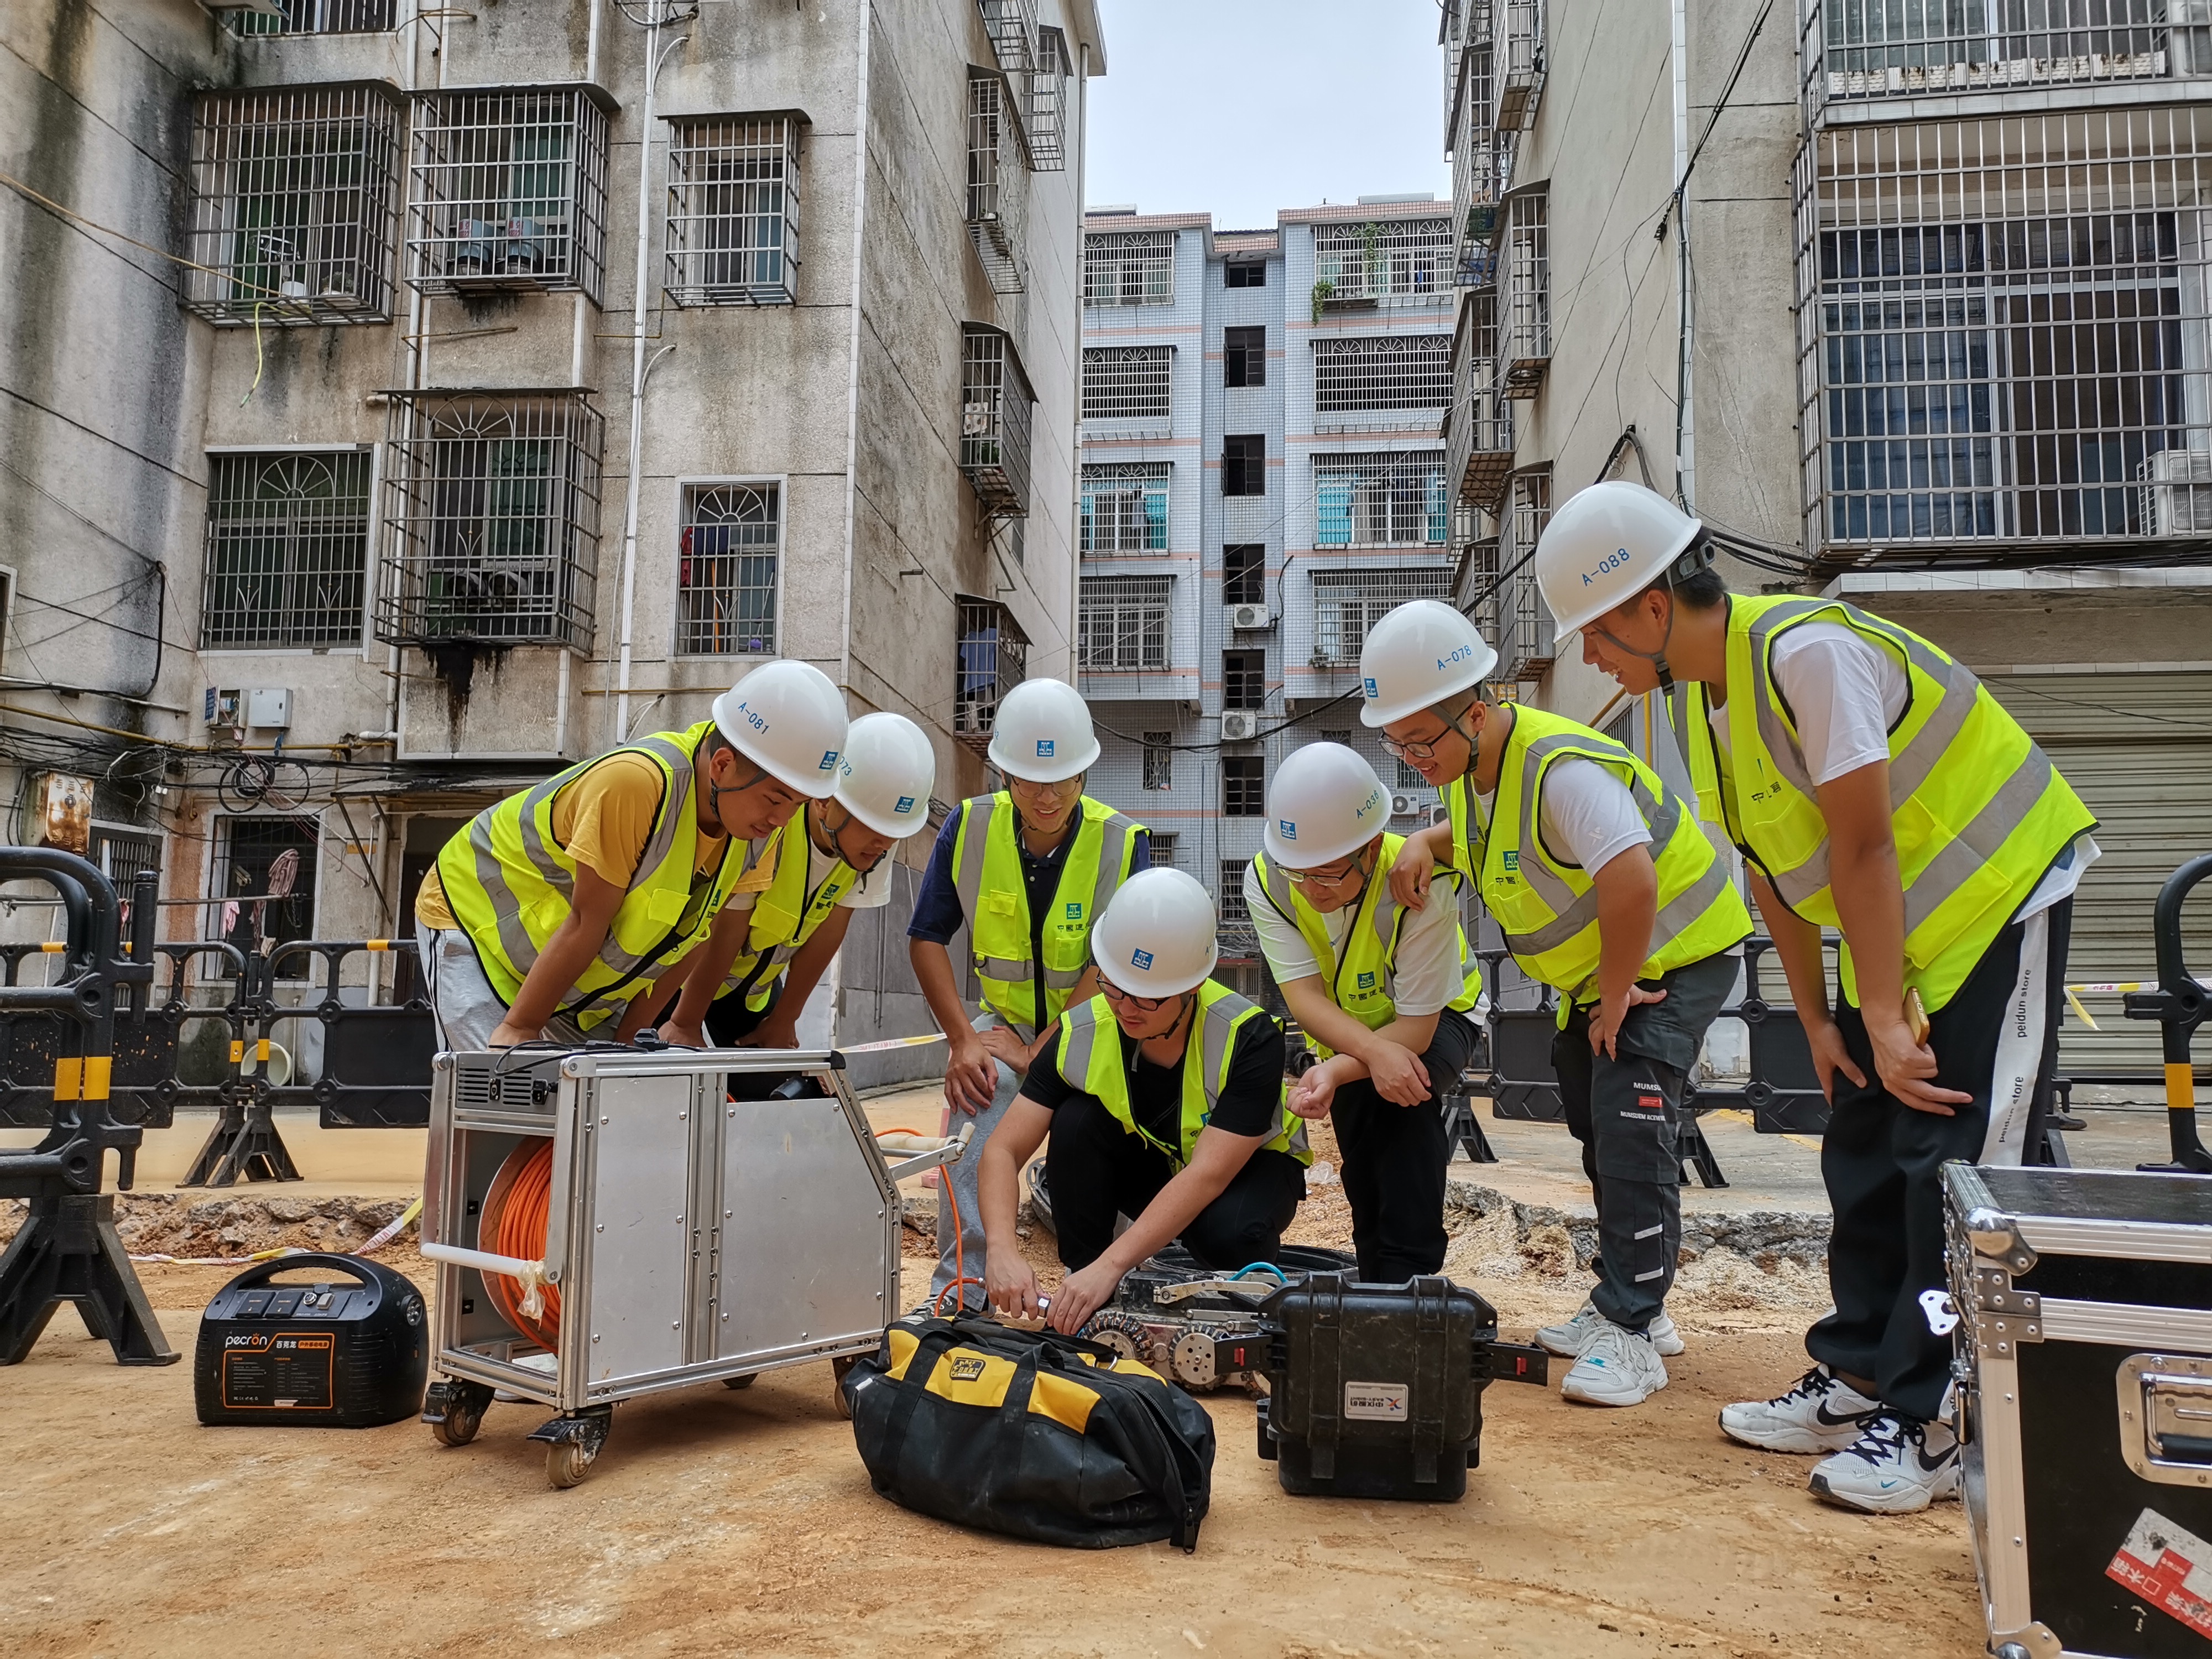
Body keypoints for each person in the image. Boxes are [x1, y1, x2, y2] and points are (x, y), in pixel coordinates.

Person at [1535, 479, 2096, 1512]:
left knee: (1956, 1162)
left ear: (1652, 607)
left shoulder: (1806, 654)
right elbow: (1772, 872)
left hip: (2000, 897)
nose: (1590, 659)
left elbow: (1866, 836)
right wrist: (1830, 1020)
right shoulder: (1705, 705)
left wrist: (1881, 1013)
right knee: (1864, 1143)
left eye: (1595, 632)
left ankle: (1935, 1425)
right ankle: (1860, 1378)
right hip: (1911, 935)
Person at [1360, 599, 1754, 1408]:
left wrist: (1613, 998)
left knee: (1631, 1124)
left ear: (1476, 712)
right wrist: (1421, 847)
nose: (1410, 759)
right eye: (1395, 745)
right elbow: (1468, 834)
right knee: (1595, 1122)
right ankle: (1635, 1299)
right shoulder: (1475, 773)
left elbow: (1631, 876)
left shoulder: (1561, 769)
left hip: (1671, 959)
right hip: (1606, 979)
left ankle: (1633, 1326)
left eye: (1419, 742)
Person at [413, 659, 849, 1053]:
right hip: (472, 922)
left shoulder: (755, 821)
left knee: (594, 1106)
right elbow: (587, 920)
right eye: (777, 798)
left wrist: (631, 1040)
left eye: (797, 803)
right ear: (722, 766)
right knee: (507, 1091)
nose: (783, 818)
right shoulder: (637, 783)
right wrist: (522, 1028)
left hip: (560, 972)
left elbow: (690, 940)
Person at [979, 867, 1311, 1334]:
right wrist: (1001, 1249)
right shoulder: (1080, 1031)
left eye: (1148, 998)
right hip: (1158, 1160)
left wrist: (1116, 1263)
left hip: (1249, 1171)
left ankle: (1232, 1305)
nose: (1126, 1008)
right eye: (1114, 986)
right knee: (1074, 1121)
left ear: (1192, 987)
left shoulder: (1247, 1037)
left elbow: (1209, 1173)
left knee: (1233, 1233)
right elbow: (1002, 1149)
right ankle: (1088, 1283)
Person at [907, 679, 1149, 1312]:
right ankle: (961, 1294)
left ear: (1085, 774)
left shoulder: (1123, 843)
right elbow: (927, 937)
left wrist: (1040, 1051)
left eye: (1063, 778)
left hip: (1099, 1030)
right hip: (1000, 1029)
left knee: (1110, 1143)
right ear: (1004, 773)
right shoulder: (968, 828)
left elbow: (1114, 962)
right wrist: (964, 1040)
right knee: (971, 1122)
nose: (1047, 795)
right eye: (1029, 779)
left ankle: (1121, 1292)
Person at [1245, 742, 1483, 1285]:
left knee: (1399, 1093)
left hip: (1439, 1019)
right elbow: (1303, 997)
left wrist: (1349, 1063)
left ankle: (1410, 1275)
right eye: (1298, 872)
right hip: (1354, 1033)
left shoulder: (1421, 886)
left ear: (1372, 848)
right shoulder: (1268, 880)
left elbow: (1418, 1031)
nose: (1310, 890)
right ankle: (1376, 1270)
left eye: (1327, 876)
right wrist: (1350, 1060)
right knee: (1359, 1131)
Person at [638, 712, 937, 1051]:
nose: (884, 845)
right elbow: (726, 925)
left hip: (747, 989)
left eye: (894, 834)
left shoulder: (872, 845)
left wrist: (785, 1020)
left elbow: (829, 929)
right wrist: (685, 1022)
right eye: (876, 829)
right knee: (661, 1072)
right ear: (826, 803)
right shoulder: (770, 821)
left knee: (777, 1089)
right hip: (679, 976)